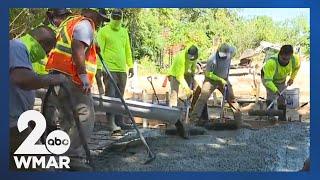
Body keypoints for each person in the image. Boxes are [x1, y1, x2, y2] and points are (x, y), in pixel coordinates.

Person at [44, 8, 105, 171]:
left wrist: (92, 44)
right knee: (85, 116)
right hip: (72, 79)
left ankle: (63, 155)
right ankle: (73, 158)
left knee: (67, 119)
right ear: (91, 13)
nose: (100, 23)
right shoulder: (85, 24)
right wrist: (83, 76)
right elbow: (77, 47)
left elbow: (76, 44)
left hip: (58, 77)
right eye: (100, 18)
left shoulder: (71, 23)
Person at [9, 26, 66, 170]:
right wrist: (52, 79)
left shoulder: (19, 51)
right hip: (13, 125)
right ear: (40, 43)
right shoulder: (17, 47)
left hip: (16, 122)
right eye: (46, 51)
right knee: (45, 168)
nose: (45, 56)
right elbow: (23, 79)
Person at [97, 9, 134, 132]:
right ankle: (111, 122)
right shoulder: (103, 31)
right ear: (111, 17)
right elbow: (98, 51)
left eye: (119, 18)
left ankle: (120, 121)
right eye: (115, 18)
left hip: (121, 69)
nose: (116, 21)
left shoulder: (124, 32)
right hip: (109, 69)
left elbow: (127, 50)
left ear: (121, 19)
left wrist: (131, 65)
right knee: (110, 97)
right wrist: (99, 68)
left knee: (120, 97)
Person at [190, 43, 237, 124]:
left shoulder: (231, 51)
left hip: (224, 79)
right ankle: (193, 120)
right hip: (211, 80)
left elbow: (234, 50)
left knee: (232, 99)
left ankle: (239, 121)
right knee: (202, 98)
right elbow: (208, 73)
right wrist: (219, 79)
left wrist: (223, 79)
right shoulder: (212, 59)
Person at [261, 45, 300, 121]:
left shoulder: (294, 59)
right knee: (271, 96)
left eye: (288, 59)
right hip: (268, 79)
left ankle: (282, 118)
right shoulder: (271, 63)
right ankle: (271, 117)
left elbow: (296, 68)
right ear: (280, 54)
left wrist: (292, 78)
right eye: (284, 59)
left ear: (291, 56)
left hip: (281, 79)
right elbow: (268, 81)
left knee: (282, 98)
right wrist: (276, 90)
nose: (285, 61)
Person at [33, 8, 72, 75]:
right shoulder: (45, 31)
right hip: (43, 72)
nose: (63, 20)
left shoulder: (67, 28)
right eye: (60, 17)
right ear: (51, 16)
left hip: (57, 71)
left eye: (65, 16)